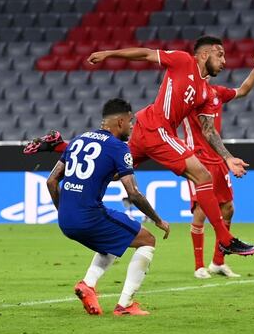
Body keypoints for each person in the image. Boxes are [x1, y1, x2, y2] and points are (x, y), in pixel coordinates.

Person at [84, 36, 254, 257]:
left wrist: (227, 157)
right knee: (203, 177)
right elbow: (146, 53)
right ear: (205, 54)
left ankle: (61, 148)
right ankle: (225, 239)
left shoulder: (205, 92)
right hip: (157, 129)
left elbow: (209, 130)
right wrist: (109, 53)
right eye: (220, 55)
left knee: (115, 173)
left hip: (147, 130)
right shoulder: (183, 60)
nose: (224, 61)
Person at [45, 98, 170, 316]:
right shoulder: (118, 147)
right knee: (147, 240)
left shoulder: (77, 140)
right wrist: (158, 220)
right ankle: (125, 304)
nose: (131, 127)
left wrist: (62, 210)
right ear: (120, 121)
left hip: (66, 220)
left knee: (117, 238)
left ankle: (88, 285)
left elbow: (51, 181)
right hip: (89, 217)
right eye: (130, 122)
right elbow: (133, 193)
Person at [182, 50, 254, 279]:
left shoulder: (216, 93)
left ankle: (218, 262)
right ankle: (199, 266)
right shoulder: (186, 96)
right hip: (196, 159)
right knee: (201, 211)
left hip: (217, 158)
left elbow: (242, 90)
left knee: (228, 208)